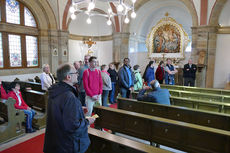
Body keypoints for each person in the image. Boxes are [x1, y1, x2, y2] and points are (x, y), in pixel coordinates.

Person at [43, 63, 95, 153]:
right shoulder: (69, 96)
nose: (78, 74)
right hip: (68, 144)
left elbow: (60, 111)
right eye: (75, 72)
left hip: (57, 139)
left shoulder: (56, 90)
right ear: (68, 77)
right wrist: (87, 121)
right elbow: (73, 126)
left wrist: (78, 108)